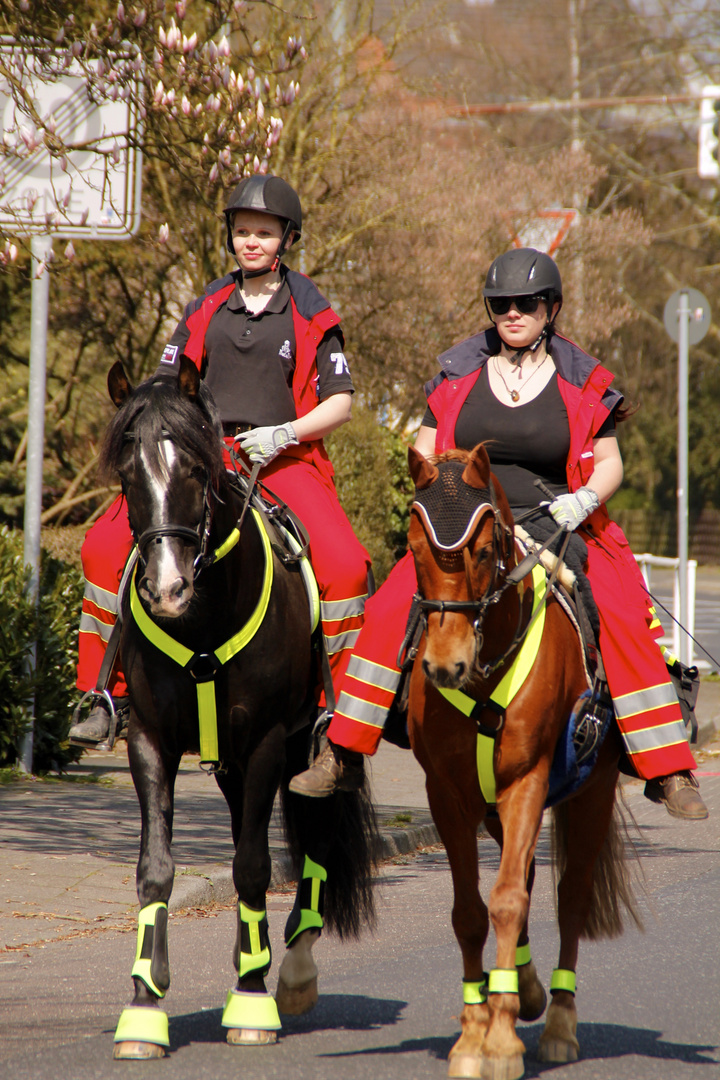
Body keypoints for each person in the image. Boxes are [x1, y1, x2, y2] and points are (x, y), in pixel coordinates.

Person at [290, 247, 708, 821]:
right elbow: (425, 443)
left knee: (618, 608)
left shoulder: (581, 375)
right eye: (501, 304)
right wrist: (435, 488)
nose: (513, 313)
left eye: (527, 304)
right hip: (466, 518)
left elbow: (610, 462)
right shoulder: (459, 369)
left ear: (550, 309)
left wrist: (584, 498)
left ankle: (666, 767)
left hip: (554, 516)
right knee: (389, 607)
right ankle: (343, 750)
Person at [70, 174, 371, 747]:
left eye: (264, 231)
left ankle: (340, 715)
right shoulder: (205, 303)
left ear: (287, 237)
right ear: (230, 236)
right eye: (242, 231)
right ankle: (103, 694)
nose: (251, 241)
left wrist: (283, 433)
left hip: (286, 458)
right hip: (203, 454)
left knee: (346, 565)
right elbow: (166, 383)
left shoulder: (312, 308)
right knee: (101, 546)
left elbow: (341, 404)